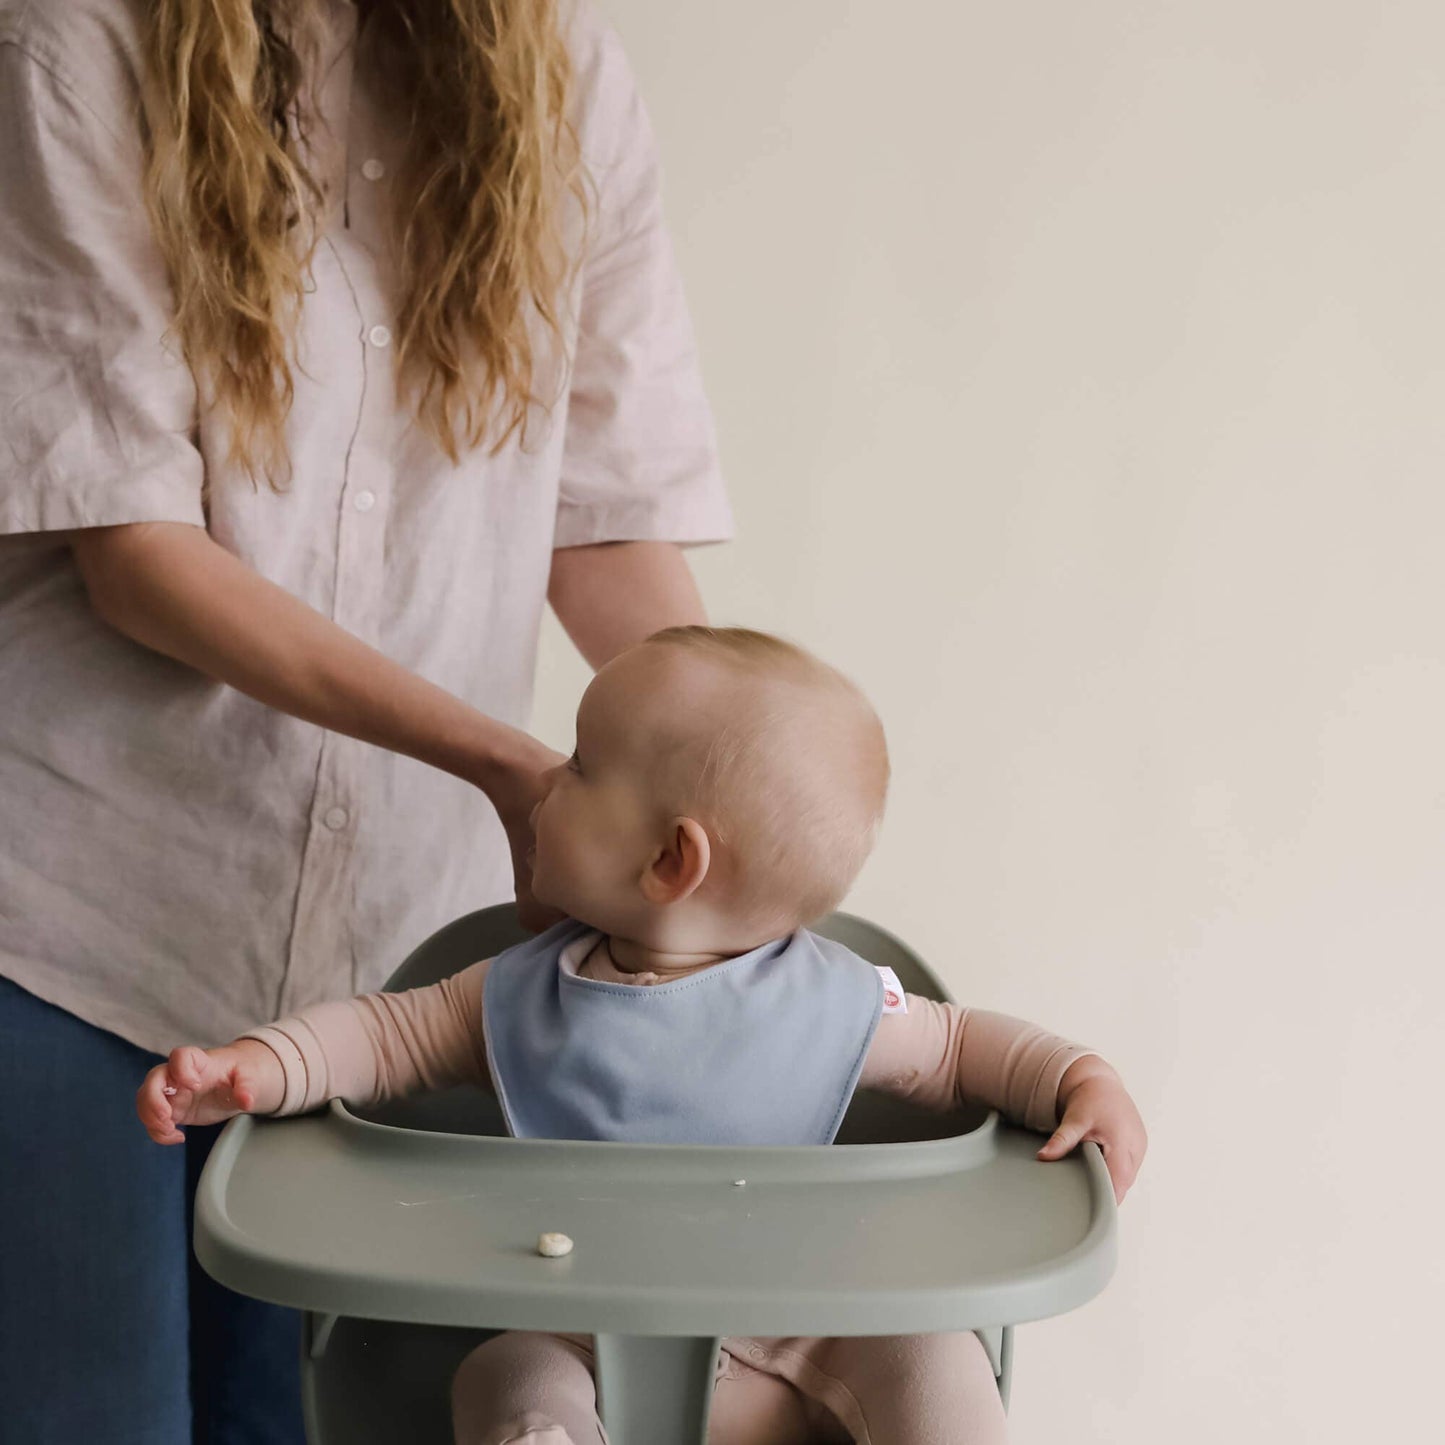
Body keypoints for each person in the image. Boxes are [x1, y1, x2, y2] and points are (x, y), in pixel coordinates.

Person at [0, 0, 732, 1439]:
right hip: (73, 925)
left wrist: (751, 781)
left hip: (389, 977)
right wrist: (509, 766)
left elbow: (602, 525)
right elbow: (138, 554)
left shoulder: (560, 70)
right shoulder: (78, 39)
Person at [138, 626, 1150, 1445]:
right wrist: (261, 1066)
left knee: (936, 1354)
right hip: (585, 1337)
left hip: (803, 1333)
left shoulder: (834, 1000)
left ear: (669, 859)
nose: (544, 779)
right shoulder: (519, 991)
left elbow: (962, 1047)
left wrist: (1075, 1076)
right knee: (503, 1374)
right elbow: (379, 1035)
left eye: (578, 766)